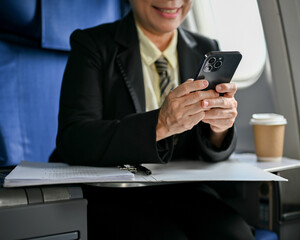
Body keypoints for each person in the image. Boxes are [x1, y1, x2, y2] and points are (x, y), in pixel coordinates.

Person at [50, 0, 254, 239]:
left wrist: (219, 129)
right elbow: (74, 138)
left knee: (235, 234)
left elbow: (208, 145)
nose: (172, 2)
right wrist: (160, 125)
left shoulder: (205, 48)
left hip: (184, 189)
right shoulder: (93, 44)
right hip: (113, 192)